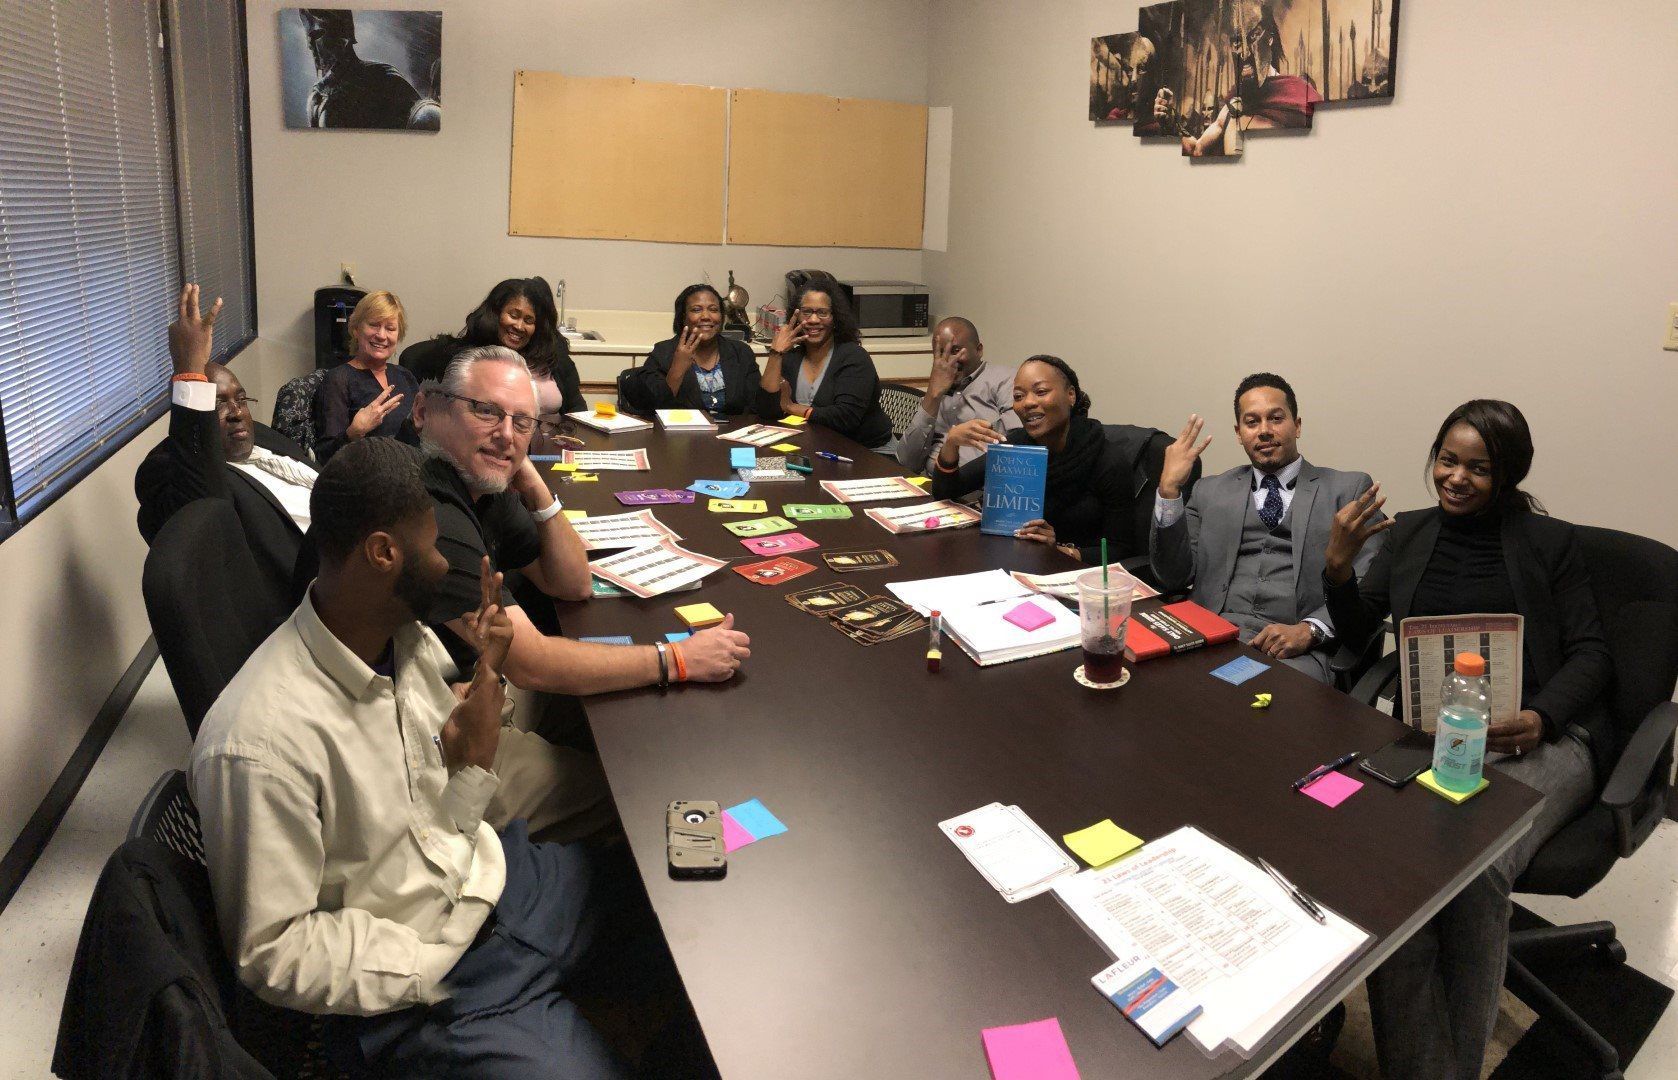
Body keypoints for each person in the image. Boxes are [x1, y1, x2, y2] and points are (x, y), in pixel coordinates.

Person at [190, 438, 684, 1076]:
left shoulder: (404, 639)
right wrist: (432, 969)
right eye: (434, 546)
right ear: (383, 553)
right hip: (429, 987)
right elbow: (273, 952)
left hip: (498, 883)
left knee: (681, 912)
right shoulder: (257, 744)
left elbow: (438, 824)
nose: (451, 563)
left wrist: (475, 759)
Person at [1320, 400, 1611, 1080]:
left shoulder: (1550, 543)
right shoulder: (1411, 534)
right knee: (1400, 865)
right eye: (1447, 461)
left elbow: (1593, 656)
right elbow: (1361, 626)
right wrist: (1337, 569)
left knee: (1476, 864)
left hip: (1543, 738)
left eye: (1478, 468)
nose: (1456, 478)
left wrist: (1539, 717)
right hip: (1438, 733)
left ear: (1507, 475)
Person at [409, 345, 752, 693]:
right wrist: (677, 659)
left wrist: (534, 485)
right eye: (486, 411)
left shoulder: (481, 483)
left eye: (522, 422)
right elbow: (532, 665)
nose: (507, 435)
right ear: (424, 411)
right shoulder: (429, 515)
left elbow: (572, 584)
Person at [1148, 373, 1384, 683]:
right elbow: (1172, 576)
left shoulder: (1348, 489)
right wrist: (1169, 489)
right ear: (1238, 432)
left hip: (1295, 651)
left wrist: (1311, 630)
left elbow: (1369, 585)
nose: (1264, 431)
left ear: (1297, 425)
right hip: (1208, 635)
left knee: (1260, 708)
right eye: (1252, 422)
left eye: (1275, 418)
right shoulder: (1209, 491)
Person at [136, 284, 316, 599]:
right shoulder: (169, 472)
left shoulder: (265, 436)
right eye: (217, 404)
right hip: (313, 591)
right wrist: (189, 372)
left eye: (241, 399)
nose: (236, 413)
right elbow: (203, 513)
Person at [929, 355, 1135, 563]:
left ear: (1071, 395)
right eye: (1018, 396)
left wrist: (1063, 551)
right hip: (1012, 559)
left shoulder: (1107, 460)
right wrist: (951, 444)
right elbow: (946, 492)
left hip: (1071, 576)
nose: (1027, 403)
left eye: (1041, 392)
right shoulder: (1017, 445)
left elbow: (1122, 549)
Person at [399, 277, 584, 418]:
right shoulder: (469, 357)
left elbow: (577, 409)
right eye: (513, 315)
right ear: (496, 314)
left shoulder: (553, 358)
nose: (519, 326)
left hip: (549, 453)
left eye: (528, 320)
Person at [757, 281, 892, 449]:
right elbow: (765, 411)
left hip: (868, 452)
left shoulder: (854, 357)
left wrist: (791, 407)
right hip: (816, 447)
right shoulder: (791, 358)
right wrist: (776, 353)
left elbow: (845, 418)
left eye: (822, 313)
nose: (813, 320)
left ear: (835, 318)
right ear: (796, 317)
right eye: (806, 312)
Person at [894, 316, 1020, 476]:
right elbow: (906, 462)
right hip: (933, 487)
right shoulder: (935, 393)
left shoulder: (1005, 380)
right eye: (940, 353)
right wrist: (933, 396)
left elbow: (1018, 444)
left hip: (979, 487)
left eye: (955, 351)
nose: (948, 361)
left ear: (979, 349)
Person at [314, 289, 420, 464]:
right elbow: (324, 457)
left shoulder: (405, 376)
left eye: (390, 328)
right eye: (374, 325)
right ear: (356, 329)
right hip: (367, 478)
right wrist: (354, 432)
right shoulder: (338, 379)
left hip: (413, 471)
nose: (381, 335)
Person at [621, 284, 759, 416]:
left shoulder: (741, 352)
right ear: (683, 317)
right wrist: (677, 368)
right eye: (696, 310)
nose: (706, 316)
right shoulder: (663, 352)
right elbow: (652, 411)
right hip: (680, 438)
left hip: (732, 436)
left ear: (722, 317)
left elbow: (757, 408)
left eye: (713, 309)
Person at [298, 9, 440, 130]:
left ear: (342, 33)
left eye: (318, 34)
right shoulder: (316, 97)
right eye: (309, 38)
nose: (312, 45)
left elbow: (426, 118)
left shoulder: (382, 78)